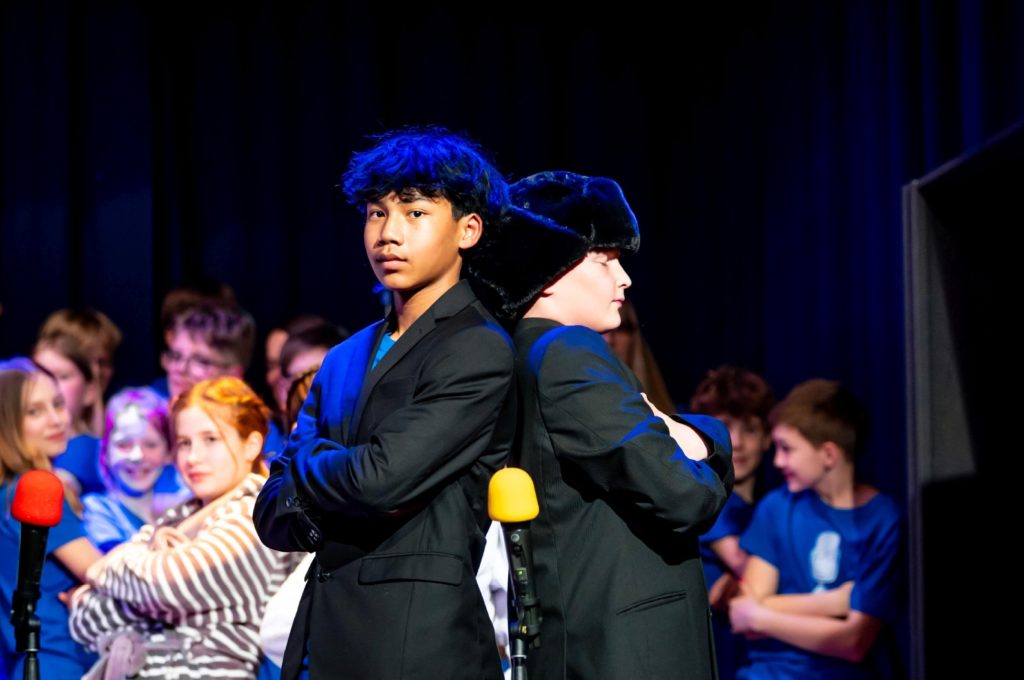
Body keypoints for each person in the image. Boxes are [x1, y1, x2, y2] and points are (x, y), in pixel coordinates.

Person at [254, 127, 515, 680]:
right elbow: (272, 512)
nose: (389, 233)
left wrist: (309, 461)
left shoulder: (477, 347)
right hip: (323, 638)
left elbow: (380, 480)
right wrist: (338, 483)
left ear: (468, 229)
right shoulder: (344, 356)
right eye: (377, 213)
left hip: (415, 643)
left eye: (415, 213)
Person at [472, 171, 733, 679]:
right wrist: (704, 439)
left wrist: (679, 429)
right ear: (550, 268)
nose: (624, 278)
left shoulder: (517, 355)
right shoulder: (568, 351)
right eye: (604, 260)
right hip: (627, 652)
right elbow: (685, 496)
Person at [69, 377, 299, 678]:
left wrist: (103, 570)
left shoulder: (256, 516)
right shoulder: (175, 518)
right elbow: (86, 617)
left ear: (251, 445)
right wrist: (150, 583)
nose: (193, 457)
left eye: (210, 439)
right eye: (184, 443)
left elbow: (165, 586)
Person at [728, 379, 902, 679]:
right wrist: (835, 602)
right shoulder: (777, 506)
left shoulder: (882, 519)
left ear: (829, 455)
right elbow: (742, 613)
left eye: (787, 449)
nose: (778, 461)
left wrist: (761, 615)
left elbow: (854, 642)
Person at [0, 357, 102, 679]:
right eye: (34, 412)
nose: (56, 419)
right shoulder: (30, 491)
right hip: (59, 662)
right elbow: (102, 573)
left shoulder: (10, 491)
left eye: (58, 404)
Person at [689, 365, 775, 679]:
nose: (736, 442)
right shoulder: (708, 497)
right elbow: (746, 567)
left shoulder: (772, 504)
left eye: (749, 430)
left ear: (768, 437)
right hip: (715, 649)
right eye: (725, 428)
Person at [81, 387, 185, 553]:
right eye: (124, 445)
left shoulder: (184, 504)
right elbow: (122, 564)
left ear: (168, 452)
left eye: (150, 445)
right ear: (105, 451)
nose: (137, 456)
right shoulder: (99, 510)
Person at [33, 332, 105, 496]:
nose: (48, 384)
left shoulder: (85, 448)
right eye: (38, 375)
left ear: (90, 391)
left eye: (62, 376)